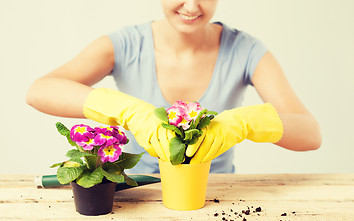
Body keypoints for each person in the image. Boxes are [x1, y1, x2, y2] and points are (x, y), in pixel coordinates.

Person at [26, 0, 321, 173]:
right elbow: (40, 90)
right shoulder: (125, 45)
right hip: (135, 196)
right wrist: (127, 110)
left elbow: (310, 133)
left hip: (219, 198)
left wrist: (245, 123)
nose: (192, 6)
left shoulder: (246, 51)